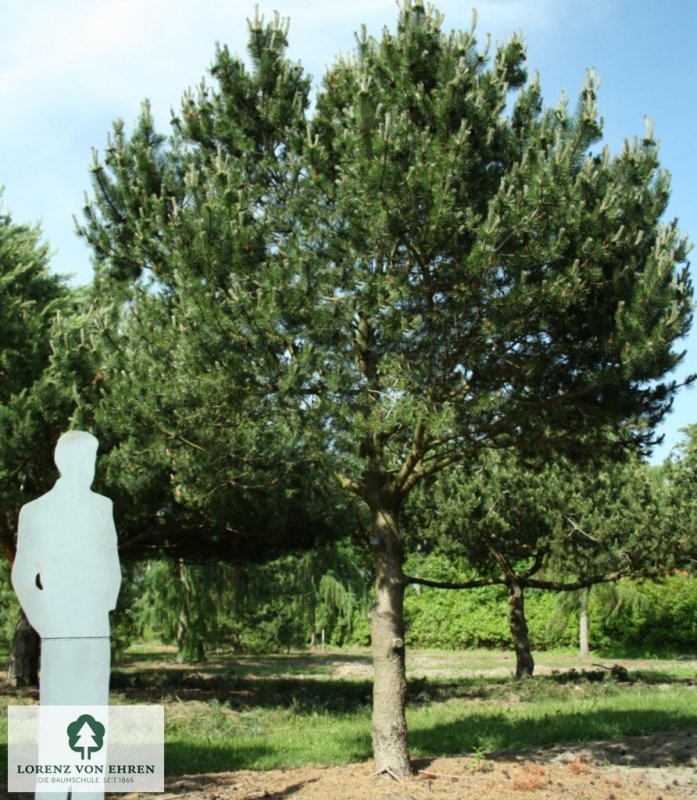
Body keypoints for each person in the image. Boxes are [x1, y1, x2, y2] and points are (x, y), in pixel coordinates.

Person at [12, 430, 121, 800]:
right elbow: (23, 575)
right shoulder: (37, 511)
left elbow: (111, 561)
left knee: (93, 712)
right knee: (60, 713)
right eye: (82, 462)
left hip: (93, 623)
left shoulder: (101, 506)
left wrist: (104, 603)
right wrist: (44, 619)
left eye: (92, 462)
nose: (88, 470)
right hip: (58, 623)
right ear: (63, 463)